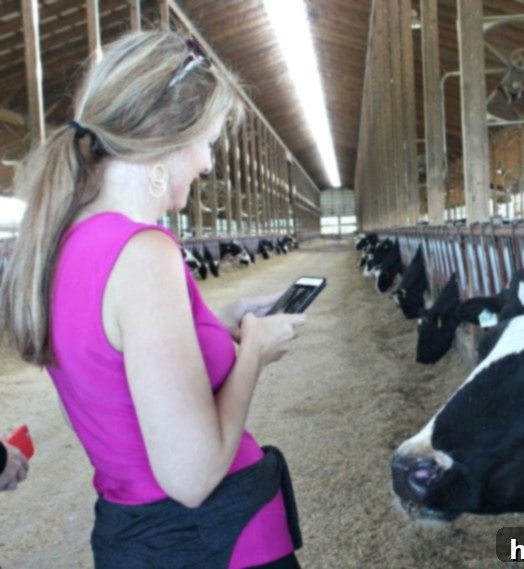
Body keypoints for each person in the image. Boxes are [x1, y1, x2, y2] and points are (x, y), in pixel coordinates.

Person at [0, 31, 306, 569]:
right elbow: (192, 476)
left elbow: (113, 364)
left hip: (130, 539)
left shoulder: (60, 246)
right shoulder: (142, 253)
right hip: (209, 542)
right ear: (164, 136)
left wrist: (213, 324)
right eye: (207, 142)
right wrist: (255, 351)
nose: (209, 165)